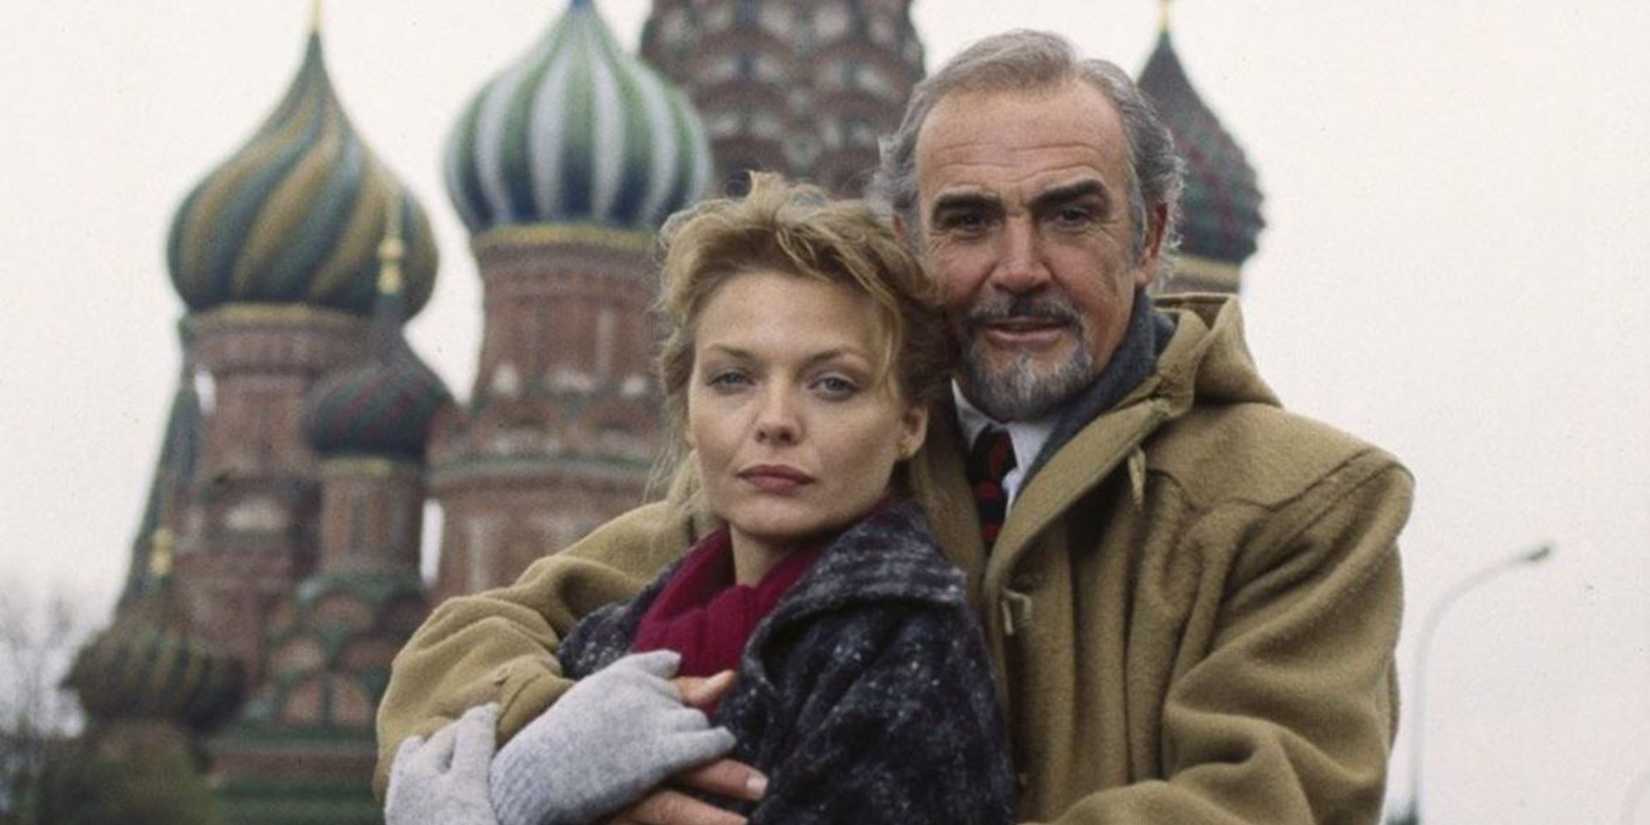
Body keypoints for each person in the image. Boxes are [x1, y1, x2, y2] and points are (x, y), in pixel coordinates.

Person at [378, 29, 1413, 825]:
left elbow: (1266, 804)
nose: (1018, 267)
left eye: (1068, 213)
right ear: (910, 246)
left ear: (1147, 240)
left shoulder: (1301, 502)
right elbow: (463, 648)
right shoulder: (842, 458)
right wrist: (582, 760)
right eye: (967, 221)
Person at [383, 175, 1015, 825]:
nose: (775, 420)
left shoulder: (905, 649)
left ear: (909, 423)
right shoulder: (612, 635)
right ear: (686, 408)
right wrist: (529, 779)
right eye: (732, 378)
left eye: (832, 384)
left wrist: (504, 801)